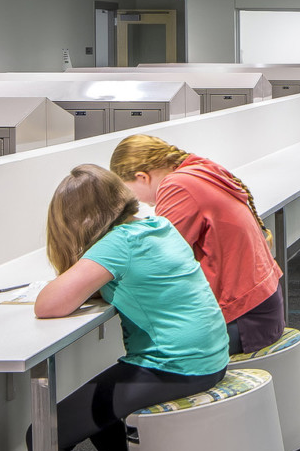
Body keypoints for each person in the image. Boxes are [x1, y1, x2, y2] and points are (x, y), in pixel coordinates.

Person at [11, 165, 228, 451]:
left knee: (45, 434)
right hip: (204, 354)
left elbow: (49, 304)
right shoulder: (150, 220)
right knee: (97, 411)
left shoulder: (117, 244)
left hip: (174, 366)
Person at [110, 134, 284, 354]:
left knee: (149, 351)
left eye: (130, 192)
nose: (139, 202)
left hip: (244, 320)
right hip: (262, 307)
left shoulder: (177, 186)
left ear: (142, 177)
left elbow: (156, 259)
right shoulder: (197, 169)